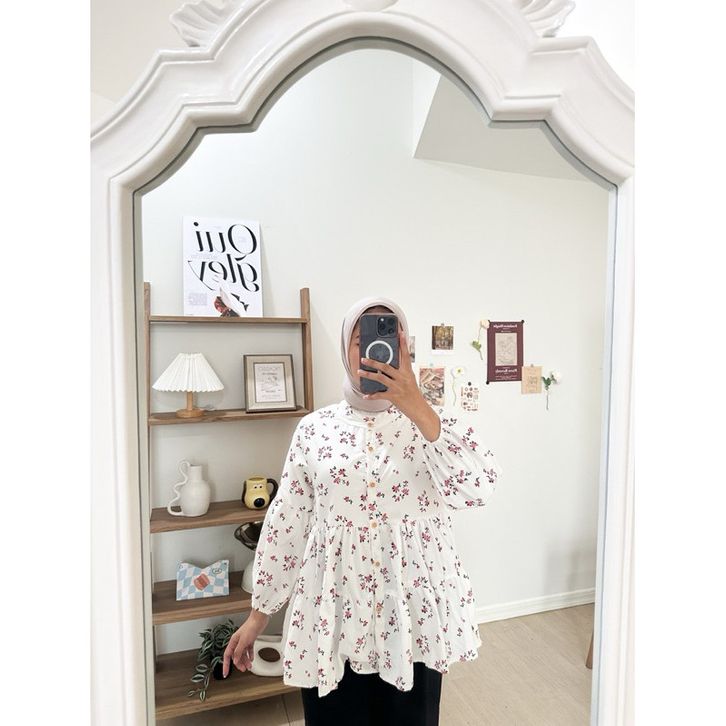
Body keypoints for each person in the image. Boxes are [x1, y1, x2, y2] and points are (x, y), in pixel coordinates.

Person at [223, 296, 503, 725]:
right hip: (333, 619)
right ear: (345, 349)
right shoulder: (314, 430)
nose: (376, 349)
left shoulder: (435, 424)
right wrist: (259, 615)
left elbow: (479, 487)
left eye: (390, 336)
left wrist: (417, 405)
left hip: (412, 622)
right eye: (363, 339)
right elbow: (288, 523)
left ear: (405, 348)